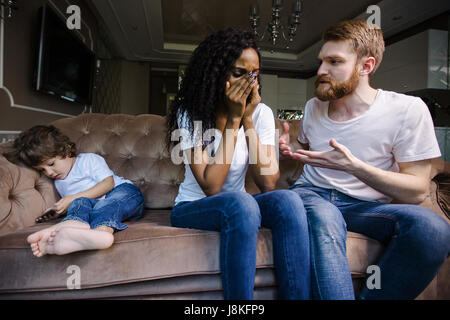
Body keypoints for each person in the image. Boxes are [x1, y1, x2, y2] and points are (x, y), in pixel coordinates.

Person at [279, 19, 450, 300]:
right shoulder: (314, 107)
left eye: (334, 62)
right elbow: (308, 150)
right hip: (313, 197)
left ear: (365, 66)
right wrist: (291, 147)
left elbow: (418, 189)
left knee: (433, 230)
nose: (321, 71)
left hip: (366, 208)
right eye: (321, 61)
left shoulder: (407, 110)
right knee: (325, 215)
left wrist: (354, 166)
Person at [166, 28, 310, 300]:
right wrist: (233, 121)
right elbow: (212, 187)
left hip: (239, 205)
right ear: (216, 72)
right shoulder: (191, 113)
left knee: (288, 202)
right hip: (192, 207)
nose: (249, 82)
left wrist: (248, 121)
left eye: (254, 74)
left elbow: (268, 183)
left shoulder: (263, 113)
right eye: (238, 72)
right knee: (241, 203)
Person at [13, 125, 144, 257]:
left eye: (51, 164)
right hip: (94, 207)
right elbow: (79, 203)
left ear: (66, 150)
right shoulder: (59, 182)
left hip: (123, 193)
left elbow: (108, 184)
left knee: (104, 204)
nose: (49, 173)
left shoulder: (88, 160)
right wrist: (57, 211)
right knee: (79, 203)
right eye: (42, 170)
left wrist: (71, 198)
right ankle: (71, 226)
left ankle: (102, 232)